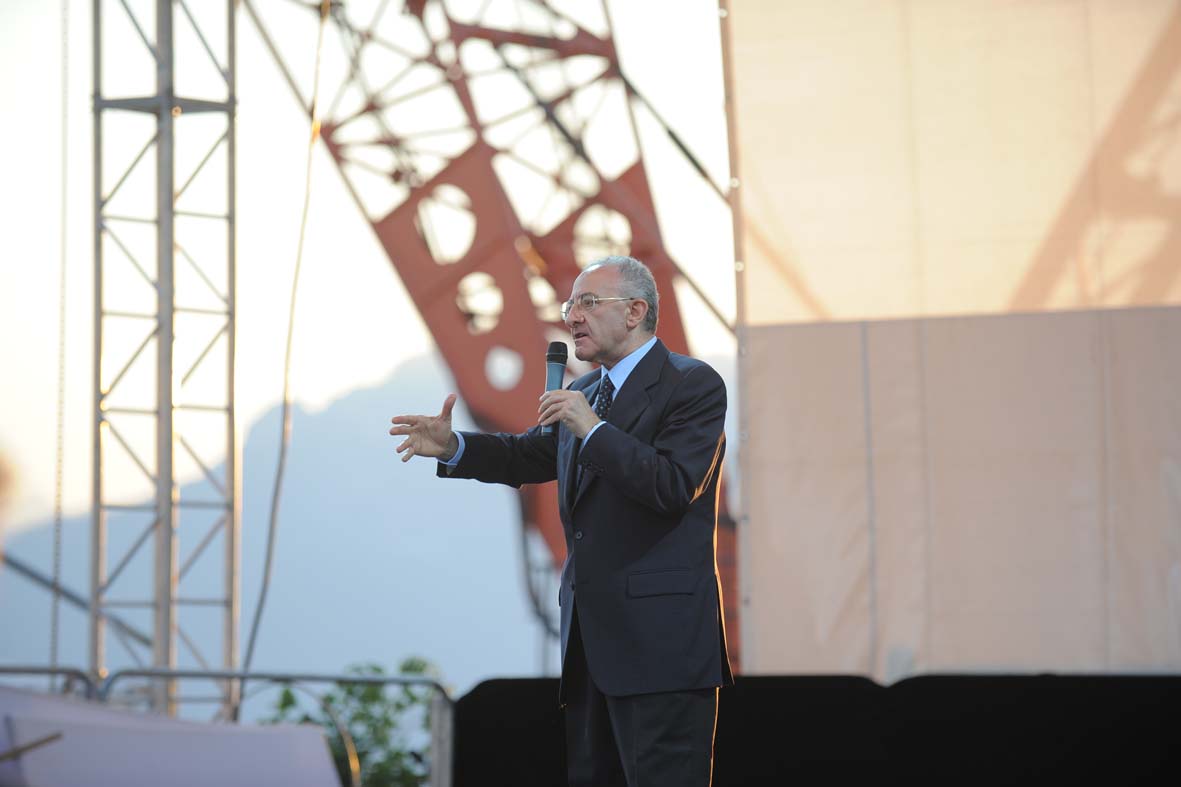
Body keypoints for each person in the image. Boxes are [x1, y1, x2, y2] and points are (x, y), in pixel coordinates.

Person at [389, 255, 732, 786]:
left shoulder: (691, 385)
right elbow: (530, 455)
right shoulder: (588, 395)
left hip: (662, 652)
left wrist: (592, 429)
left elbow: (672, 487)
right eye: (571, 303)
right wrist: (453, 446)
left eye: (589, 303)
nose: (572, 315)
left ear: (635, 311)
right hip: (590, 647)